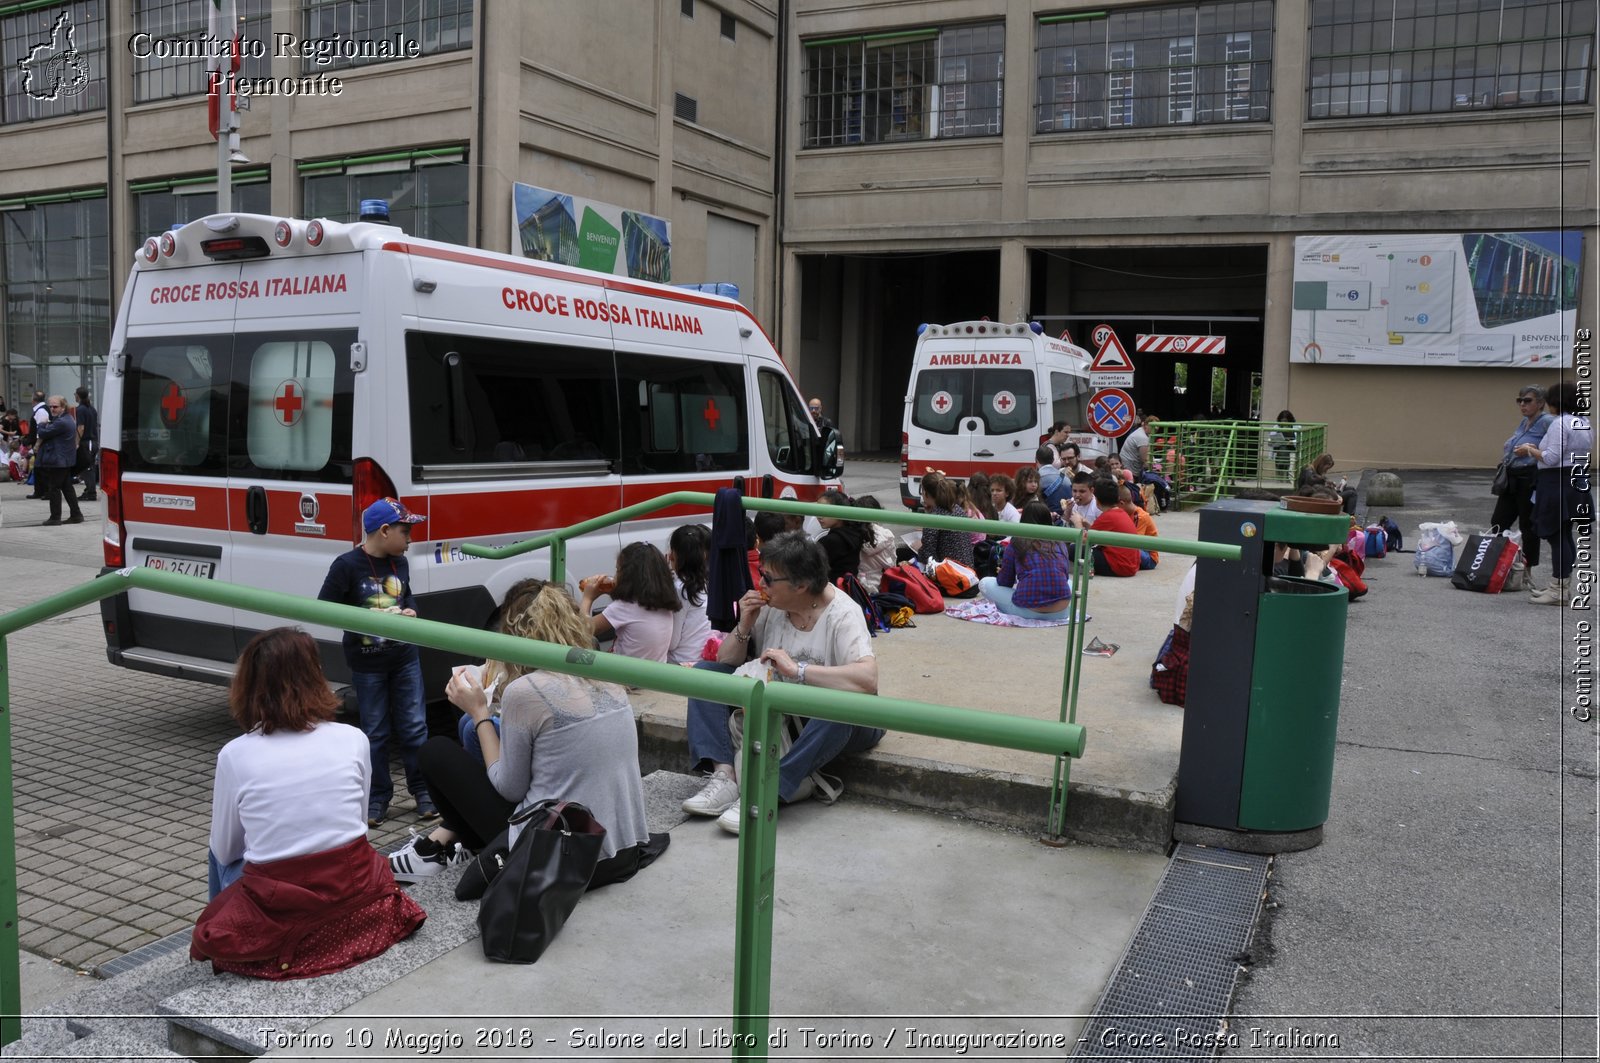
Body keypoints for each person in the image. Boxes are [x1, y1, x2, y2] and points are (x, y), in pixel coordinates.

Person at [192, 628, 426, 979]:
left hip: (282, 905)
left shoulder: (235, 755)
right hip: (352, 889)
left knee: (218, 854)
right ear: (315, 676)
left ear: (249, 684)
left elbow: (227, 852)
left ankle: (225, 940)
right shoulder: (353, 738)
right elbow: (355, 823)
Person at [392, 580, 657, 885]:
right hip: (622, 852)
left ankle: (443, 844)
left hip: (566, 858)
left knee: (435, 751)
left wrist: (478, 711)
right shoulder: (605, 671)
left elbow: (510, 789)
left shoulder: (526, 691)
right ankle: (446, 839)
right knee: (479, 733)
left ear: (518, 634)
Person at [680, 532, 882, 834]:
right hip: (785, 712)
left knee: (837, 708)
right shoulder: (771, 608)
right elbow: (726, 662)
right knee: (705, 674)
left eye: (768, 578)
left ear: (800, 585)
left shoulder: (843, 613)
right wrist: (745, 625)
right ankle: (725, 776)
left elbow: (868, 680)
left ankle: (768, 790)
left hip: (838, 719)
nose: (760, 583)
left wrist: (798, 670)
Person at [317, 497, 435, 827]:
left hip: (404, 658)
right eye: (406, 531)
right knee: (375, 732)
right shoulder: (346, 566)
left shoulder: (400, 564)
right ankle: (378, 796)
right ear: (384, 531)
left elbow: (405, 595)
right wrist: (365, 616)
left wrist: (410, 609)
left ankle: (423, 791)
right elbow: (324, 607)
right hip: (368, 664)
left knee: (414, 727)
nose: (411, 540)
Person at [1517, 381, 1593, 605]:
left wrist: (1529, 449)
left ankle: (1558, 589)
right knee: (1565, 534)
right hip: (1577, 480)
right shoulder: (1584, 423)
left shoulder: (1560, 424)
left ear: (1555, 402)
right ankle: (1560, 586)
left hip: (1556, 482)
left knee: (1556, 536)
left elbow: (1550, 457)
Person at [581, 541, 682, 663]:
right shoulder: (664, 604)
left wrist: (588, 598)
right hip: (656, 676)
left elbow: (582, 629)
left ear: (628, 577)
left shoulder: (624, 607)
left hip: (625, 678)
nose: (615, 575)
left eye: (618, 570)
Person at [1490, 386, 1552, 571]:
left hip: (1529, 477)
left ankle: (1528, 568)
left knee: (1528, 525)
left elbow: (1555, 447)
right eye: (1520, 401)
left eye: (1527, 400)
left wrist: (1531, 449)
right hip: (1512, 476)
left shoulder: (1547, 421)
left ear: (1540, 403)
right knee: (1499, 521)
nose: (1523, 404)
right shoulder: (1525, 421)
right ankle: (1498, 562)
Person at [979, 501, 1074, 619]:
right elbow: (1064, 578)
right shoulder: (1059, 542)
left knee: (984, 583)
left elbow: (1004, 582)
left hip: (1028, 611)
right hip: (1061, 611)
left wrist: (1002, 572)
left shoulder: (1017, 541)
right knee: (1070, 583)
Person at [1065, 477, 1140, 576]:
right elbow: (1096, 534)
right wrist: (1086, 523)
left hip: (1121, 567)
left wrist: (1077, 522)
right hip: (1131, 565)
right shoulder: (1119, 512)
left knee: (1073, 549)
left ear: (1097, 500)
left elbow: (1083, 541)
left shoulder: (1107, 516)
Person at [667, 524, 715, 665]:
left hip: (681, 663)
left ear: (674, 555)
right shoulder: (708, 582)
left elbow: (672, 643)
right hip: (704, 659)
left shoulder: (679, 589)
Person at [35, 396, 83, 526]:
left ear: (63, 407)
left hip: (59, 460)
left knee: (54, 487)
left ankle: (55, 517)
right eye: (50, 406)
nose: (52, 409)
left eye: (55, 406)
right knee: (67, 487)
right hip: (63, 460)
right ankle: (76, 514)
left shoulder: (62, 422)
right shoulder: (64, 419)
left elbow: (43, 433)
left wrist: (42, 423)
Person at [816, 488, 873, 584]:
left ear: (840, 511)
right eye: (817, 510)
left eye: (824, 510)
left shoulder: (830, 541)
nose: (819, 516)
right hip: (849, 589)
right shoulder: (855, 533)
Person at [916, 475, 974, 568]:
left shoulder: (933, 518)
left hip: (950, 575)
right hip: (968, 571)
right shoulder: (957, 509)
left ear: (925, 493)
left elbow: (928, 558)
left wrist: (919, 549)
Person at [849, 494, 901, 593]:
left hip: (860, 585)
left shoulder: (853, 536)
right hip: (884, 585)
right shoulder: (887, 535)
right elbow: (892, 564)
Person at [1117, 482, 1160, 569]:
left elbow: (1135, 543)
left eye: (1115, 506)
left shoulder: (1140, 516)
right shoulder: (1126, 514)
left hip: (1149, 557)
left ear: (1121, 503)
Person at [73, 386, 98, 502]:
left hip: (86, 442)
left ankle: (91, 492)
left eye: (75, 394)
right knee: (89, 466)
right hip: (93, 441)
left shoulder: (80, 409)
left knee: (87, 468)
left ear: (78, 396)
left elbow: (81, 427)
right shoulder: (92, 409)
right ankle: (89, 490)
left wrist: (76, 442)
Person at [1266, 410, 1298, 477]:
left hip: (1291, 452)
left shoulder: (1296, 427)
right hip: (1279, 452)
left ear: (1289, 420)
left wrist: (1292, 442)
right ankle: (1280, 480)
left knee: (1290, 471)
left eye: (1285, 421)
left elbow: (1299, 440)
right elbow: (1270, 441)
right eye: (1282, 420)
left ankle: (1287, 481)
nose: (1283, 422)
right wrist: (1272, 441)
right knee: (1279, 470)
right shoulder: (1276, 427)